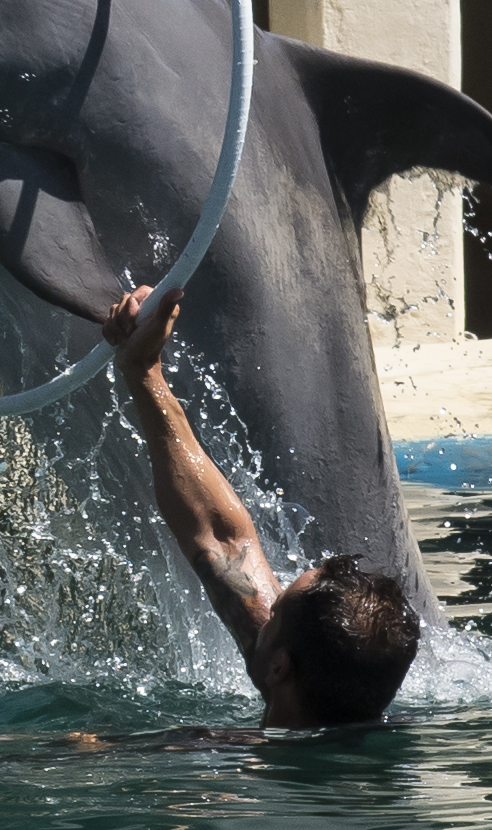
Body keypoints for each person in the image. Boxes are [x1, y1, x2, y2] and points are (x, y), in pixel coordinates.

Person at [102, 285, 421, 728]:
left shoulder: (223, 767)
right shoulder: (322, 681)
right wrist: (143, 370)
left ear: (277, 668)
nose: (262, 606)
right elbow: (221, 535)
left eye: (273, 614)